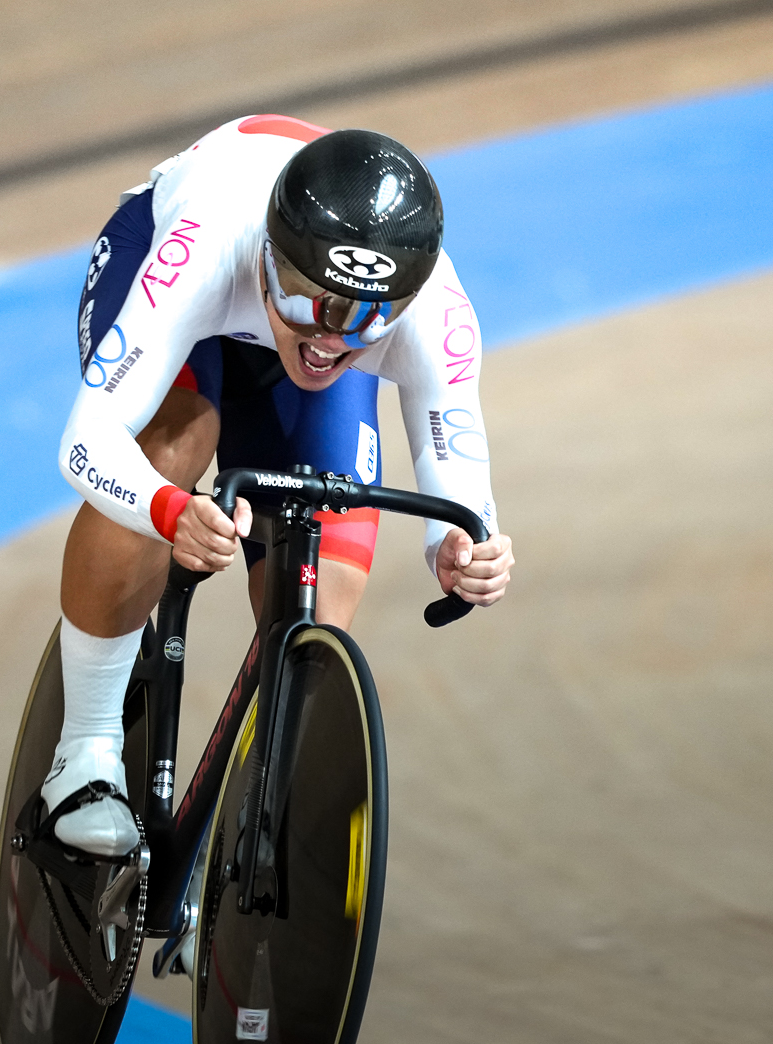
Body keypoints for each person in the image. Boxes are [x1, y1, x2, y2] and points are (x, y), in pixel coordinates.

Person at [43, 115, 514, 855]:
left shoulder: (433, 312)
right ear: (268, 259)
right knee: (176, 442)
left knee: (319, 601)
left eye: (363, 319)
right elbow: (85, 440)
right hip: (180, 289)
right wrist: (168, 510)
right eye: (308, 301)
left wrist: (459, 544)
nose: (329, 337)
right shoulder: (208, 243)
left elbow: (457, 475)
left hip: (268, 308)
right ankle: (85, 755)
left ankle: (231, 847)